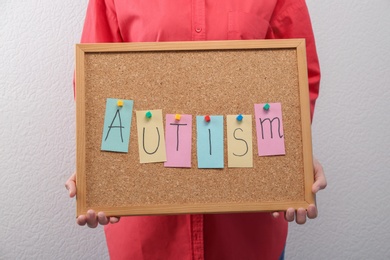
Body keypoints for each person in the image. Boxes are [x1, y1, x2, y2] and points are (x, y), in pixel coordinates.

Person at [66, 0, 327, 259]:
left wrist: (294, 155)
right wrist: (100, 168)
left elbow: (298, 77)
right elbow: (97, 82)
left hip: (247, 236)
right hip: (148, 236)